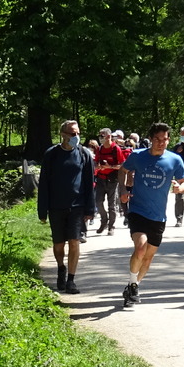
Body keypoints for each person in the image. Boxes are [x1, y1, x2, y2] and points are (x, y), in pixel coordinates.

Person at [118, 122, 184, 309]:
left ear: (169, 140)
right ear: (150, 139)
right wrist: (123, 190)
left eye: (164, 139)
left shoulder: (175, 160)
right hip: (138, 210)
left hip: (158, 216)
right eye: (157, 139)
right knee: (140, 248)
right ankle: (133, 285)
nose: (161, 143)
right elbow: (123, 171)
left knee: (148, 258)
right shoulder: (137, 156)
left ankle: (133, 286)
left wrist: (179, 188)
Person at [37, 119, 95, 294]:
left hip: (77, 206)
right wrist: (42, 210)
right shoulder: (51, 154)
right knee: (58, 244)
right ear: (63, 134)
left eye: (78, 133)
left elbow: (89, 182)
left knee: (74, 242)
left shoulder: (84, 154)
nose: (76, 136)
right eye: (72, 133)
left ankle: (71, 280)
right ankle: (61, 268)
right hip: (56, 206)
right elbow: (44, 183)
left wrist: (90, 208)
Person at [94, 127, 128, 234]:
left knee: (111, 205)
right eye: (99, 135)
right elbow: (95, 162)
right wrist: (97, 166)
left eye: (102, 136)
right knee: (98, 202)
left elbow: (122, 165)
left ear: (108, 136)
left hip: (112, 180)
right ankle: (104, 220)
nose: (100, 138)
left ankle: (111, 226)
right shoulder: (100, 149)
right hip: (101, 178)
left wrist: (110, 167)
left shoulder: (115, 149)